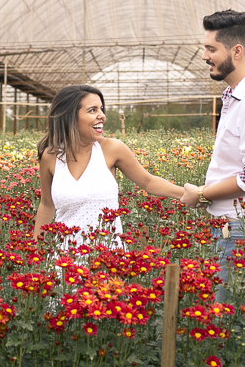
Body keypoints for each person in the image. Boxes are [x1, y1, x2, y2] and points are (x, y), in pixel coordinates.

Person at [181, 10, 245, 296]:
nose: (204, 56)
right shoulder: (236, 96)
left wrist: (202, 194)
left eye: (211, 49)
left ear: (236, 51)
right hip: (237, 224)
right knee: (230, 312)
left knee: (231, 316)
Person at [34, 85, 184, 247]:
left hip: (108, 255)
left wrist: (196, 194)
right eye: (92, 110)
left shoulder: (112, 149)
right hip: (65, 256)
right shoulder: (51, 156)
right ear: (69, 116)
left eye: (101, 109)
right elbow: (47, 204)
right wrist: (34, 249)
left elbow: (149, 182)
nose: (102, 116)